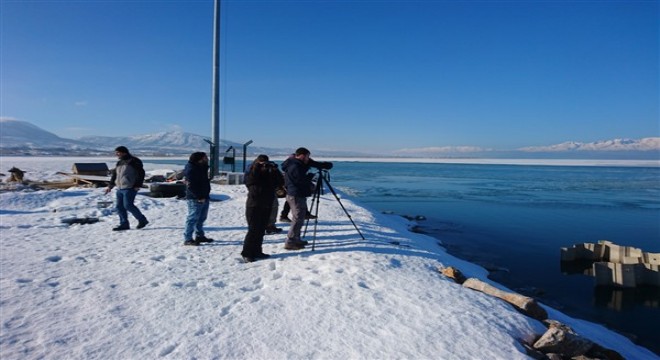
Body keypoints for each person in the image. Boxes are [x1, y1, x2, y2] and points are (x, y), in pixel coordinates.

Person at [241, 154, 281, 262]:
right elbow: (250, 182)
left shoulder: (269, 173)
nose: (264, 166)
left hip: (267, 203)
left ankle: (257, 251)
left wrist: (275, 170)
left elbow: (279, 182)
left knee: (261, 229)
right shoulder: (252, 171)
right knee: (253, 229)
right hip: (254, 204)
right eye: (262, 163)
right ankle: (247, 253)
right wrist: (257, 167)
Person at [105, 146, 149, 231]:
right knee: (119, 207)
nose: (116, 154)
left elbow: (141, 173)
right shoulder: (119, 162)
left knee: (128, 205)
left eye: (118, 152)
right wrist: (110, 186)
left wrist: (138, 185)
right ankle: (124, 224)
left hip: (130, 187)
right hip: (120, 188)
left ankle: (142, 220)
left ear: (124, 152)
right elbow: (115, 175)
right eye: (116, 153)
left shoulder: (134, 161)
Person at [280, 147, 315, 250]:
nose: (308, 159)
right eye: (308, 156)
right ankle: (290, 241)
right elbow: (299, 180)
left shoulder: (294, 164)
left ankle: (296, 238)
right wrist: (309, 177)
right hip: (295, 194)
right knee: (298, 217)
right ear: (302, 155)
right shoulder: (295, 166)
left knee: (300, 217)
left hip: (296, 194)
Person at [182, 152, 214, 246]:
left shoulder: (201, 167)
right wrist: (199, 196)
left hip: (204, 196)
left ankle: (199, 235)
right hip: (195, 198)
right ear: (199, 159)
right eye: (205, 158)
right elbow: (191, 185)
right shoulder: (191, 169)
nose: (207, 159)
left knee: (201, 218)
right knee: (192, 218)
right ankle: (187, 239)